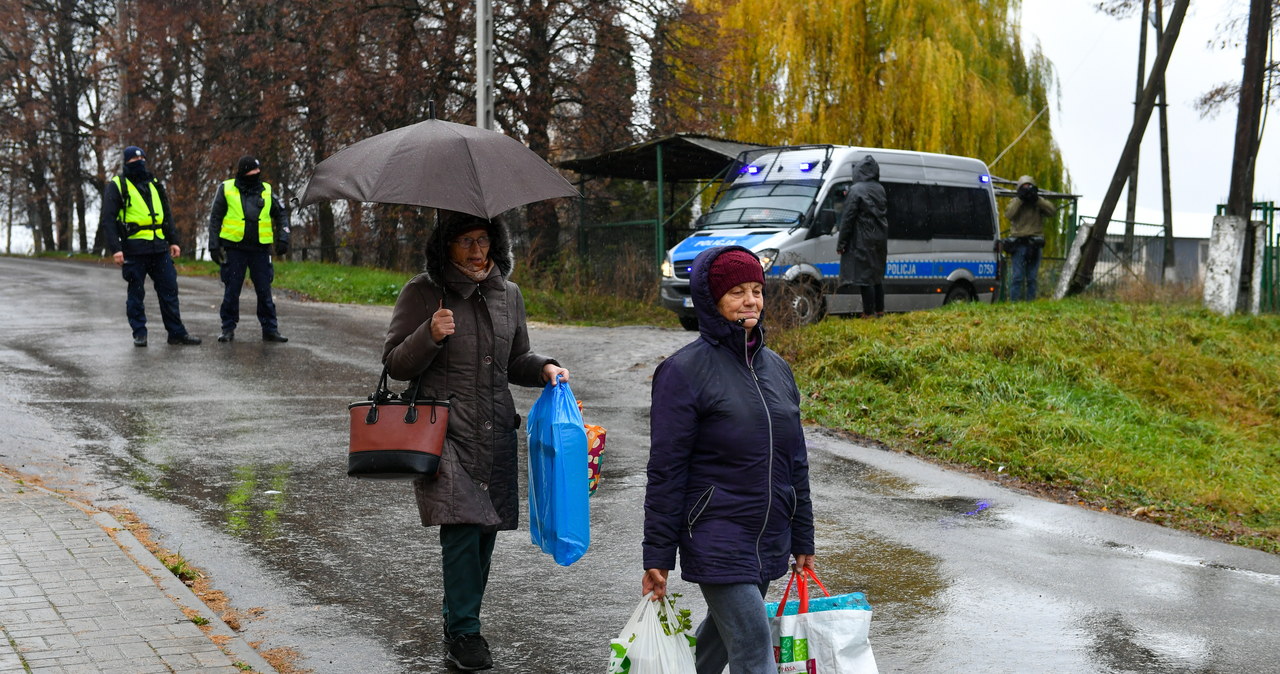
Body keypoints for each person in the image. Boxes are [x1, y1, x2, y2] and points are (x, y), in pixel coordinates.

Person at [382, 211, 569, 672]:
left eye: (483, 240)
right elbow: (395, 364)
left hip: (495, 426)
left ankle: (458, 620)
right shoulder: (422, 292)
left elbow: (517, 358)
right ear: (445, 245)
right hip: (444, 430)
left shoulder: (508, 293)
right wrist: (428, 334)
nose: (476, 250)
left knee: (485, 531)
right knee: (462, 527)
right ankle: (465, 631)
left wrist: (544, 367)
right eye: (465, 241)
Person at [642, 246, 815, 674]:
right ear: (711, 300)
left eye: (756, 289)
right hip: (715, 535)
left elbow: (796, 460)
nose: (751, 300)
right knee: (755, 651)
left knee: (719, 641)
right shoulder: (683, 372)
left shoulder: (777, 369)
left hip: (768, 535)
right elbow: (666, 471)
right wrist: (657, 554)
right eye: (737, 291)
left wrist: (803, 537)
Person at [99, 146, 202, 347]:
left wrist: (174, 240)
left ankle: (176, 333)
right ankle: (139, 333)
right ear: (126, 162)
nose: (139, 163)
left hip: (159, 249)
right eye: (134, 160)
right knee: (136, 293)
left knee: (169, 291)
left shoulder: (154, 183)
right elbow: (108, 220)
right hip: (134, 249)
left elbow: (167, 213)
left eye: (142, 159)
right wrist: (116, 249)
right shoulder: (118, 185)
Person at [208, 155, 291, 342]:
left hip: (260, 249)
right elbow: (215, 218)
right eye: (252, 172)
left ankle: (270, 329)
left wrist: (283, 238)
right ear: (244, 172)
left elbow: (281, 215)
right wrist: (213, 245)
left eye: (258, 172)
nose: (256, 175)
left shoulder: (267, 190)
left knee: (264, 291)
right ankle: (227, 328)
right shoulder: (226, 188)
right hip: (235, 248)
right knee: (232, 291)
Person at [836, 155, 889, 317]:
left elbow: (848, 218)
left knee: (864, 278)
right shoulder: (880, 189)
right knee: (877, 277)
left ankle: (868, 313)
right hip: (879, 238)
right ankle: (880, 310)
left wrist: (841, 243)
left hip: (862, 239)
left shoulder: (856, 190)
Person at [1004, 175, 1056, 301]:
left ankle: (1030, 302)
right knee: (1017, 277)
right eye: (1024, 187)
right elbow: (1009, 214)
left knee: (1032, 278)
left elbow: (1052, 211)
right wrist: (1020, 199)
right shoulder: (1015, 202)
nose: (1027, 190)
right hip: (1019, 243)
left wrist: (1037, 199)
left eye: (1029, 187)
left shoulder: (1038, 202)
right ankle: (1014, 303)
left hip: (1034, 243)